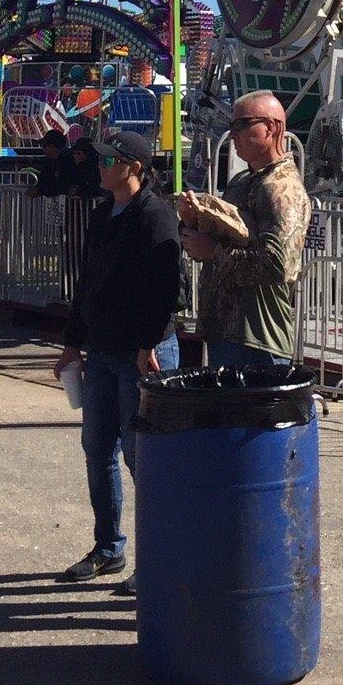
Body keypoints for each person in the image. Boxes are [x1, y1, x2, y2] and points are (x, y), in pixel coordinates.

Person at [52, 129, 181, 586]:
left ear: (134, 168)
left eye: (109, 160)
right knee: (97, 449)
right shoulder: (103, 212)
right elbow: (86, 283)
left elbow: (168, 291)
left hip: (142, 353)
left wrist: (148, 344)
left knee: (139, 455)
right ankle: (108, 549)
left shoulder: (155, 216)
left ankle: (160, 559)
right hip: (102, 350)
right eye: (100, 159)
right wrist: (72, 343)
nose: (100, 166)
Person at [183, 92, 311, 370]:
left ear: (272, 128)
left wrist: (213, 252)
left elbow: (278, 266)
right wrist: (196, 223)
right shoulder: (242, 182)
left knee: (257, 412)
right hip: (226, 333)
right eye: (231, 127)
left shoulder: (281, 188)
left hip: (257, 339)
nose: (232, 135)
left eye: (241, 125)